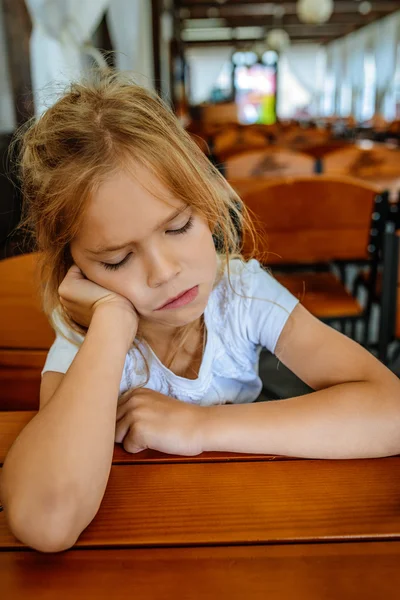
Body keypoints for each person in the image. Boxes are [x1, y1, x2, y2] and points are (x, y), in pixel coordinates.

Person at [1, 72, 400, 553]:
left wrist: (198, 426)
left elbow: (391, 409)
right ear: (76, 271)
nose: (164, 271)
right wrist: (111, 326)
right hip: (141, 546)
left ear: (208, 207)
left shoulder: (240, 294)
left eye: (178, 226)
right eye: (116, 259)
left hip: (246, 519)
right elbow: (46, 521)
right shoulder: (86, 336)